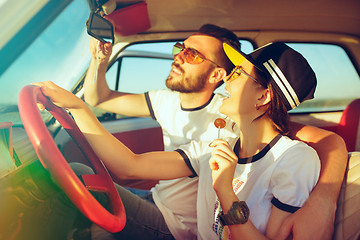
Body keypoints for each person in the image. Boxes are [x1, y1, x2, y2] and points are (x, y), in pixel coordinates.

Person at [83, 24, 348, 239]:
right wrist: (79, 104)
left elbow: (327, 141)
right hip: (159, 200)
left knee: (77, 180)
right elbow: (130, 164)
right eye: (181, 48)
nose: (228, 81)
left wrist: (325, 199)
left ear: (263, 97)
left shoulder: (289, 158)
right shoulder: (215, 144)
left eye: (237, 75)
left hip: (174, 225)